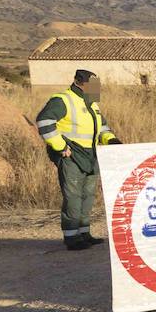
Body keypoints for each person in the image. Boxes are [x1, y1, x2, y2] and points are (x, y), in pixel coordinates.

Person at [35, 69, 121, 250]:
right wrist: (60, 147)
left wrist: (111, 140)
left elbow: (102, 126)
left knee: (87, 196)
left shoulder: (91, 103)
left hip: (90, 156)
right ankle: (71, 237)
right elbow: (44, 121)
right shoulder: (63, 100)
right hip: (71, 156)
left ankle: (84, 233)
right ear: (78, 82)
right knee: (73, 197)